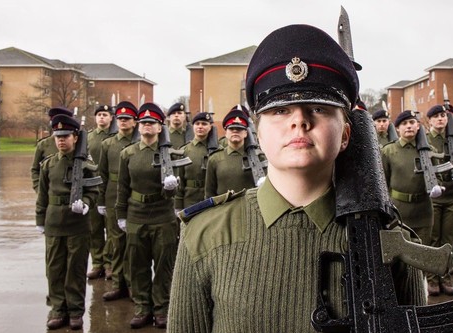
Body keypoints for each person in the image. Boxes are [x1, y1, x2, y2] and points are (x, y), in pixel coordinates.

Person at [167, 24, 425, 332]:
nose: (299, 121)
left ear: (345, 135)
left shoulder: (390, 240)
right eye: (280, 111)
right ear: (258, 134)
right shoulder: (205, 235)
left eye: (318, 108)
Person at [116, 102, 180, 329]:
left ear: (160, 127)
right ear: (138, 126)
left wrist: (171, 188)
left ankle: (161, 309)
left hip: (162, 216)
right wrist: (121, 215)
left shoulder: (171, 154)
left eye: (151, 123)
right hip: (136, 215)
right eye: (143, 123)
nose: (146, 127)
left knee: (164, 266)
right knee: (138, 265)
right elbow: (122, 186)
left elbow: (175, 192)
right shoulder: (128, 154)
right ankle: (143, 307)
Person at [35, 112, 98, 330]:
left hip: (77, 224)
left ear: (75, 137)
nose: (61, 140)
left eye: (65, 136)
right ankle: (57, 309)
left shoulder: (87, 164)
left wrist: (87, 203)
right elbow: (42, 195)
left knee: (76, 269)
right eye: (58, 136)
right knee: (54, 269)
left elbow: (94, 189)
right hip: (54, 222)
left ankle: (75, 311)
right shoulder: (48, 165)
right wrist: (40, 219)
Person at [381, 110, 444, 249]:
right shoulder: (388, 151)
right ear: (397, 128)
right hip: (399, 212)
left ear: (418, 126)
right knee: (400, 257)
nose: (408, 126)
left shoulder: (428, 151)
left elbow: (437, 177)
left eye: (412, 122)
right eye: (404, 123)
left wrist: (437, 186)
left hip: (423, 212)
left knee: (423, 256)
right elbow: (382, 184)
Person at [97, 101, 138, 301]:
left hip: (134, 194)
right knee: (116, 242)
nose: (123, 122)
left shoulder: (141, 141)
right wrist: (101, 200)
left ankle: (132, 285)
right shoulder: (108, 144)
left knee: (133, 243)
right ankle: (118, 283)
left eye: (127, 119)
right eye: (120, 119)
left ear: (134, 121)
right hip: (113, 195)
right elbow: (102, 174)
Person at [425, 104, 453, 296]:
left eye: (443, 115)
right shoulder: (425, 140)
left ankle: (446, 277)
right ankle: (433, 279)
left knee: (448, 240)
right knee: (433, 240)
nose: (441, 119)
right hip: (434, 198)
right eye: (436, 116)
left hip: (452, 196)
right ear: (430, 120)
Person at [204, 106, 265, 197]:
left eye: (239, 129)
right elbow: (209, 192)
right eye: (231, 129)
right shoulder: (215, 159)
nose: (235, 131)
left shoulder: (258, 157)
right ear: (226, 133)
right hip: (224, 209)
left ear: (246, 133)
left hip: (249, 207)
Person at [86, 104, 114, 279]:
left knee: (111, 229)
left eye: (105, 114)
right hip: (92, 187)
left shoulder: (115, 137)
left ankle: (109, 262)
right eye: (99, 115)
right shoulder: (88, 138)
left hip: (110, 187)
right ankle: (97, 263)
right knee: (94, 228)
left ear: (111, 118)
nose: (102, 117)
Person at [174, 112, 214, 209]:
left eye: (204, 124)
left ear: (210, 127)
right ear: (193, 126)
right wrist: (178, 205)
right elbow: (180, 180)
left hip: (211, 199)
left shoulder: (217, 150)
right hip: (190, 198)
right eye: (197, 124)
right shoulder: (184, 150)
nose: (200, 127)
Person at [30, 107, 75, 193]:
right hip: (50, 192)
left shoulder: (76, 143)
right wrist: (39, 188)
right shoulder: (43, 144)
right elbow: (35, 169)